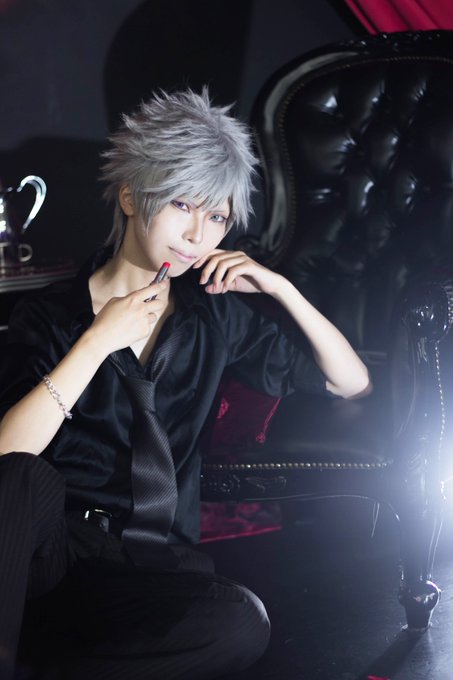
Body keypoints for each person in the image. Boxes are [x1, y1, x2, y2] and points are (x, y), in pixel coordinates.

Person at [0, 88, 371, 680]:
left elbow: (351, 383)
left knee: (242, 620)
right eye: (181, 204)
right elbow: (9, 456)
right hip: (49, 560)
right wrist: (95, 342)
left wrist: (281, 289)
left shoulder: (214, 314)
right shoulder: (49, 315)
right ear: (131, 196)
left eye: (217, 217)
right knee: (22, 475)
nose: (199, 234)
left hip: (151, 570)